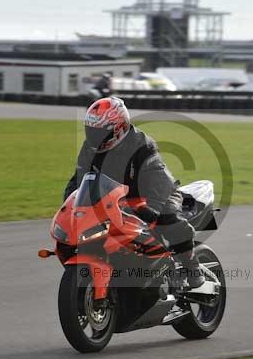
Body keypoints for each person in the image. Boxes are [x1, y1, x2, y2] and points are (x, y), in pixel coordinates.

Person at [63, 96, 214, 294]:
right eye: (90, 131)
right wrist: (70, 204)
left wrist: (152, 209)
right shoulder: (89, 148)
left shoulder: (141, 145)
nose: (93, 137)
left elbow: (157, 181)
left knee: (168, 218)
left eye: (99, 133)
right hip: (116, 200)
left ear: (118, 129)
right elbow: (79, 179)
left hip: (157, 195)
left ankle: (193, 271)